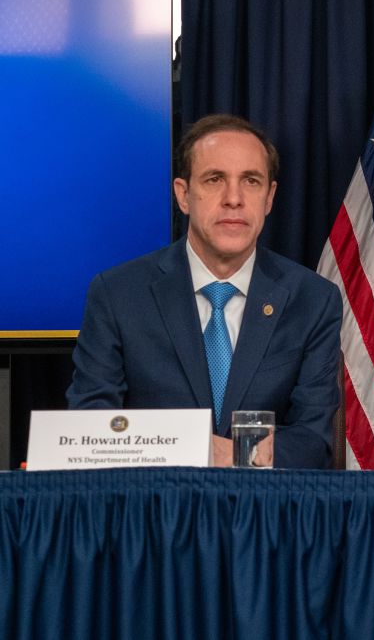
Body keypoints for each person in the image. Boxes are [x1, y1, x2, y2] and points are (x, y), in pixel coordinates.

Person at [67, 114, 342, 469]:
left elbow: (313, 441)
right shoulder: (117, 294)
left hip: (265, 515)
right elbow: (90, 425)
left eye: (251, 181)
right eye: (215, 180)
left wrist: (234, 455)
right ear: (183, 195)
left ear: (270, 198)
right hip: (151, 512)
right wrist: (191, 448)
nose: (234, 199)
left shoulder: (313, 299)